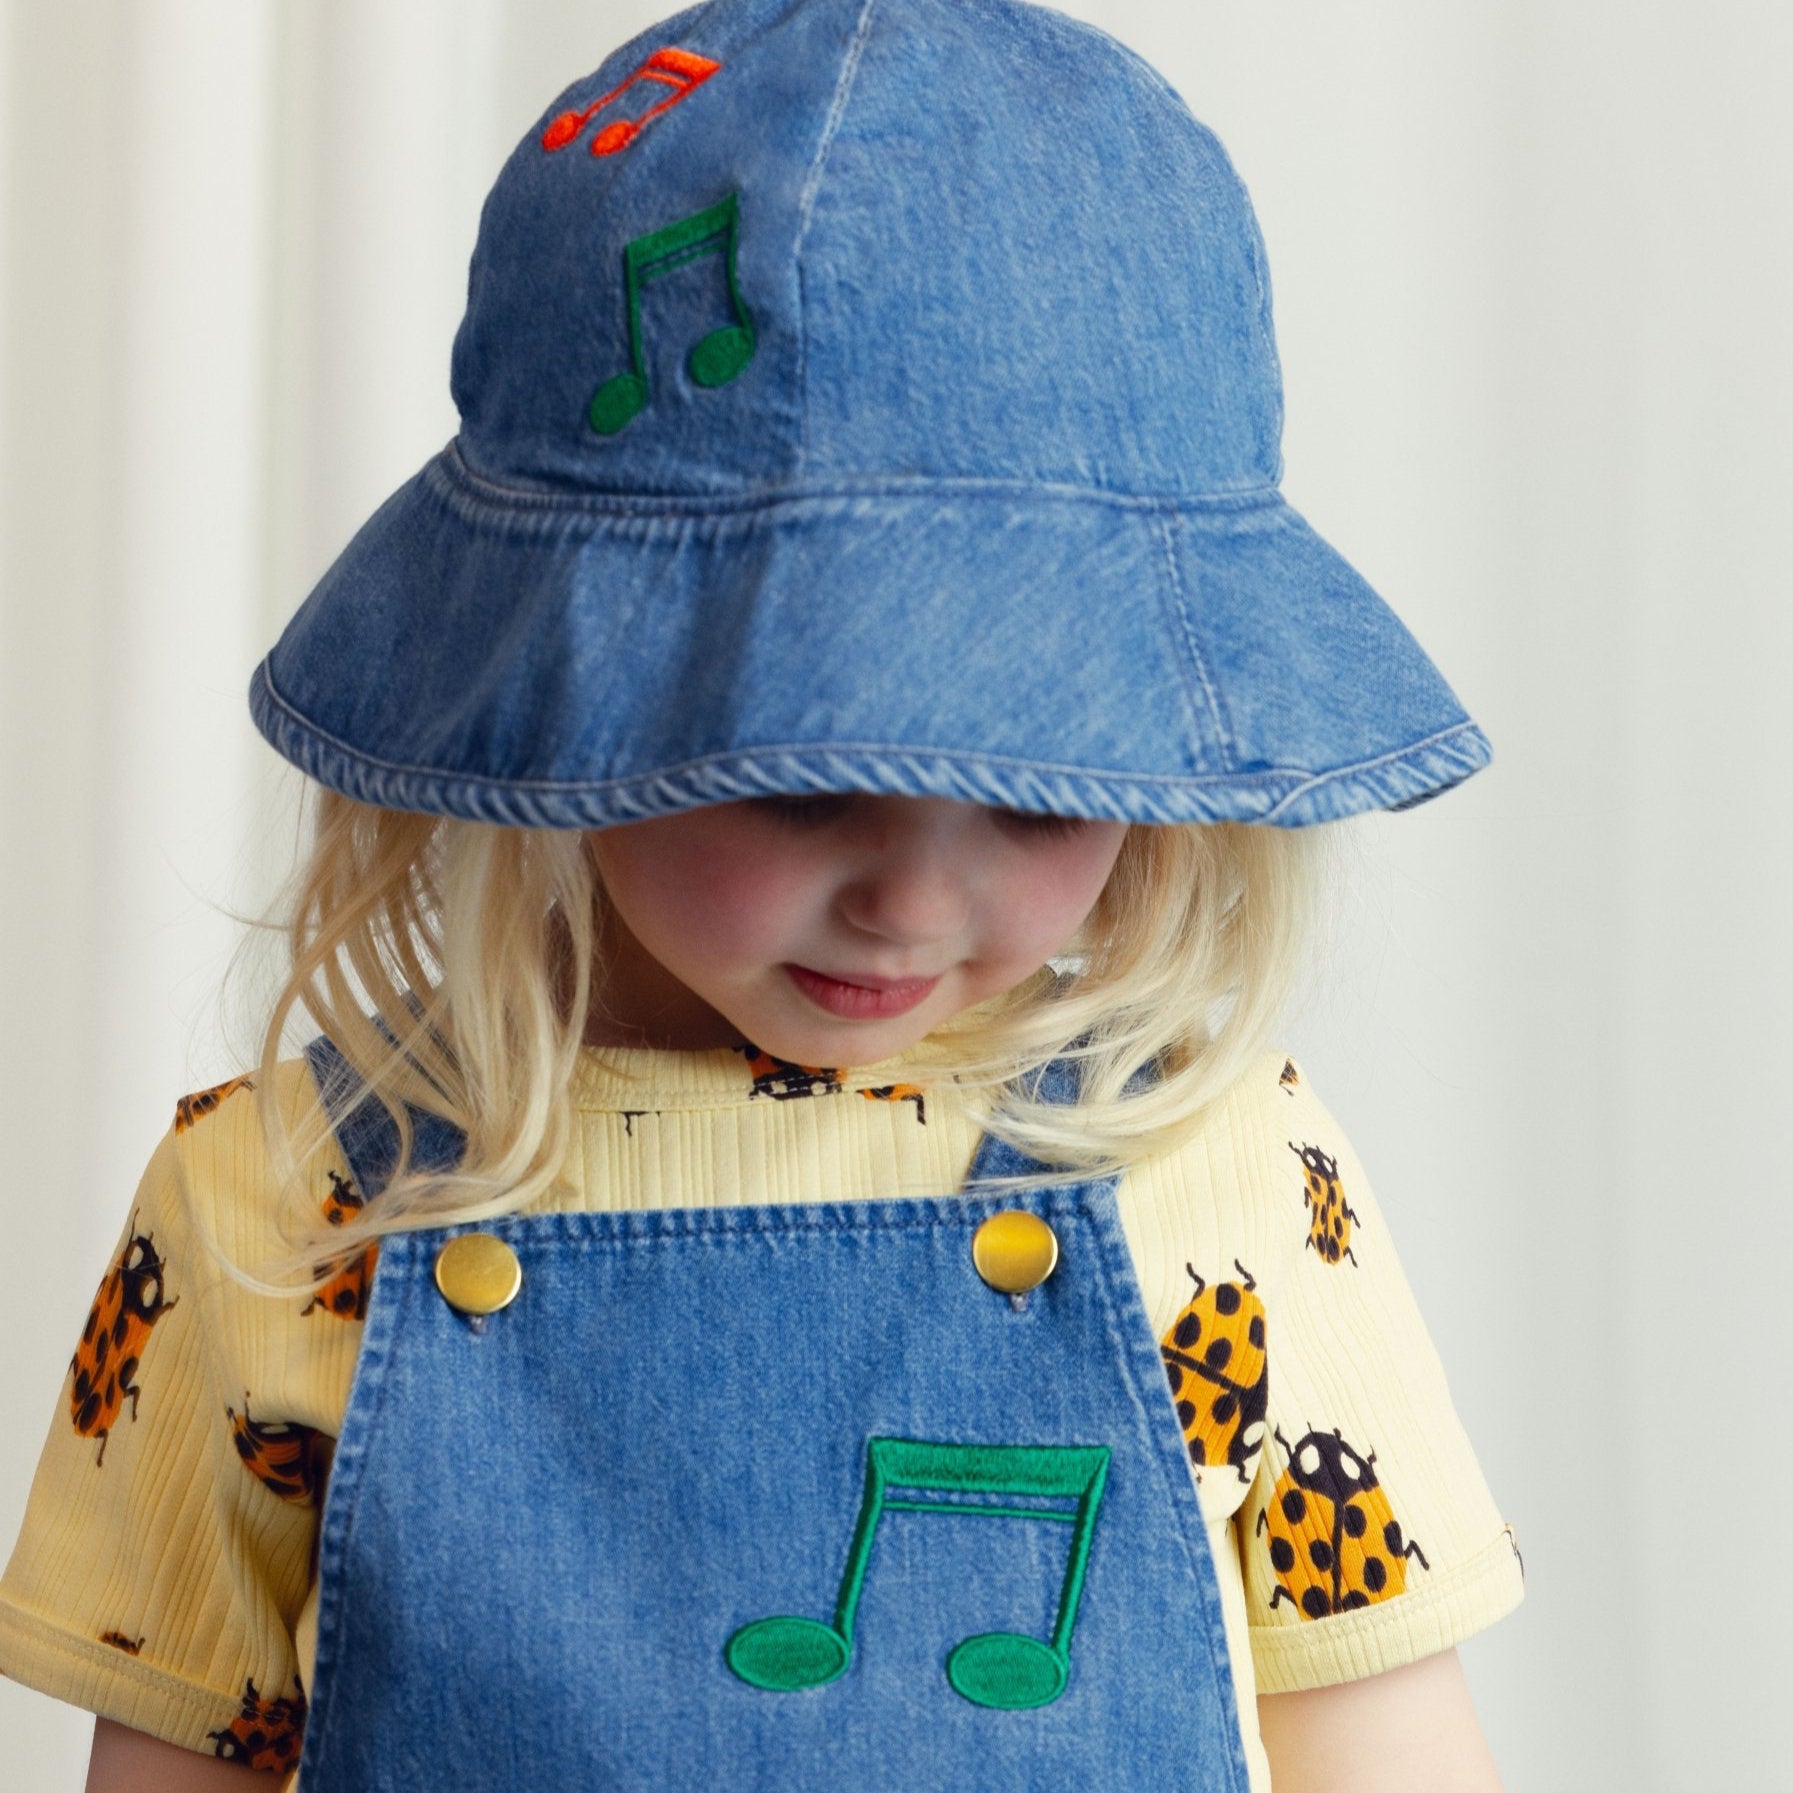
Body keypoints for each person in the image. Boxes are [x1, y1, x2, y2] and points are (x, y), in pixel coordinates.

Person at [0, 1, 1524, 1787]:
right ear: (577, 698)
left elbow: (1389, 1752)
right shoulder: (279, 1210)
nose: (910, 897)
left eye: (1042, 792)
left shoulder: (1216, 1166)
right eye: (799, 777)